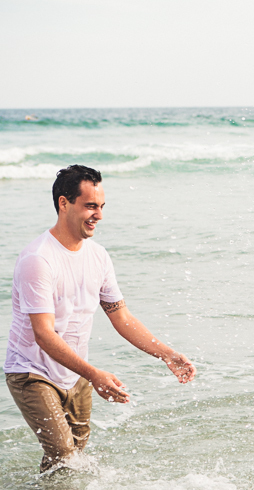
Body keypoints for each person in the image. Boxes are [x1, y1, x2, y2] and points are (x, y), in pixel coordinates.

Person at [4, 165, 196, 472]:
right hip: (32, 372)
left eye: (102, 206)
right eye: (90, 206)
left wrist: (167, 355)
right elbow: (43, 334)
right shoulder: (38, 259)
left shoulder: (98, 256)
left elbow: (120, 315)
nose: (99, 215)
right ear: (64, 203)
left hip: (76, 371)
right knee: (64, 457)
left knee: (73, 462)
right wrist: (94, 374)